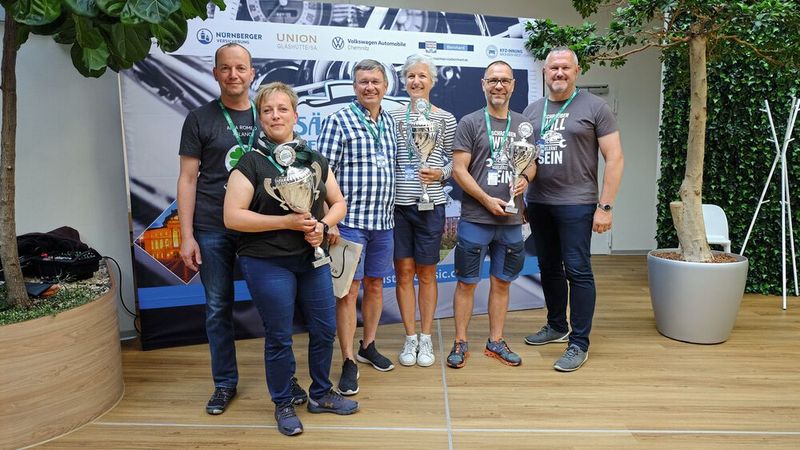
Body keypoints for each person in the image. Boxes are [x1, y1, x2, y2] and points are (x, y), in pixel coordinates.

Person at [223, 82, 359, 436]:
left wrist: (323, 224)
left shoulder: (313, 159)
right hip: (267, 261)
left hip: (311, 259)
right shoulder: (250, 161)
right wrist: (285, 222)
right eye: (267, 110)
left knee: (324, 328)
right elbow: (232, 217)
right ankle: (283, 403)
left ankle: (320, 394)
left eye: (282, 109)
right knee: (280, 336)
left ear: (296, 115)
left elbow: (339, 203)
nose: (275, 116)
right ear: (260, 118)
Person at [177, 43, 306, 415]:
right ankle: (224, 383)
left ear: (252, 73)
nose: (234, 74)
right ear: (216, 73)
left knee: (276, 311)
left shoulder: (270, 114)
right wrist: (186, 235)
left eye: (241, 68)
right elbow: (187, 179)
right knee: (218, 307)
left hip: (264, 227)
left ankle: (286, 379)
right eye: (226, 68)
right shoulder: (200, 118)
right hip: (213, 227)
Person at [522, 47, 624, 372]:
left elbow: (615, 158)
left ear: (576, 72)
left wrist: (605, 207)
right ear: (545, 72)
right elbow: (525, 158)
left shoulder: (596, 107)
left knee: (577, 271)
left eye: (565, 67)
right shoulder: (532, 110)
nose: (559, 73)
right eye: (553, 68)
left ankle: (579, 343)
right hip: (539, 203)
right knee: (549, 267)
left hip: (577, 203)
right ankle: (556, 325)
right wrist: (523, 199)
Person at [446, 60, 536, 369]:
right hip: (476, 218)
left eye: (505, 81)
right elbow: (459, 170)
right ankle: (460, 341)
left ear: (513, 86)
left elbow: (531, 164)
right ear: (484, 84)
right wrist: (486, 200)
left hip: (511, 220)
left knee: (502, 283)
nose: (499, 86)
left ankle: (495, 340)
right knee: (467, 283)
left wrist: (527, 178)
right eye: (493, 80)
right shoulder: (470, 122)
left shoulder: (523, 124)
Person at [317, 59, 398, 395]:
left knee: (376, 286)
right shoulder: (338, 120)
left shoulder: (391, 122)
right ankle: (348, 359)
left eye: (376, 81)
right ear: (354, 86)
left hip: (383, 223)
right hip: (348, 225)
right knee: (348, 293)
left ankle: (369, 345)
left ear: (385, 86)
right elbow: (321, 174)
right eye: (364, 81)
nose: (370, 87)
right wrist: (328, 220)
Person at [389, 54, 456, 367]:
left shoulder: (446, 118)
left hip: (432, 206)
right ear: (404, 82)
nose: (416, 81)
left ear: (432, 81)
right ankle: (409, 337)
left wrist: (440, 174)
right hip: (399, 207)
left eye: (422, 76)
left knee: (427, 273)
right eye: (410, 76)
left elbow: (456, 161)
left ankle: (427, 338)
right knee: (403, 272)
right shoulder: (392, 117)